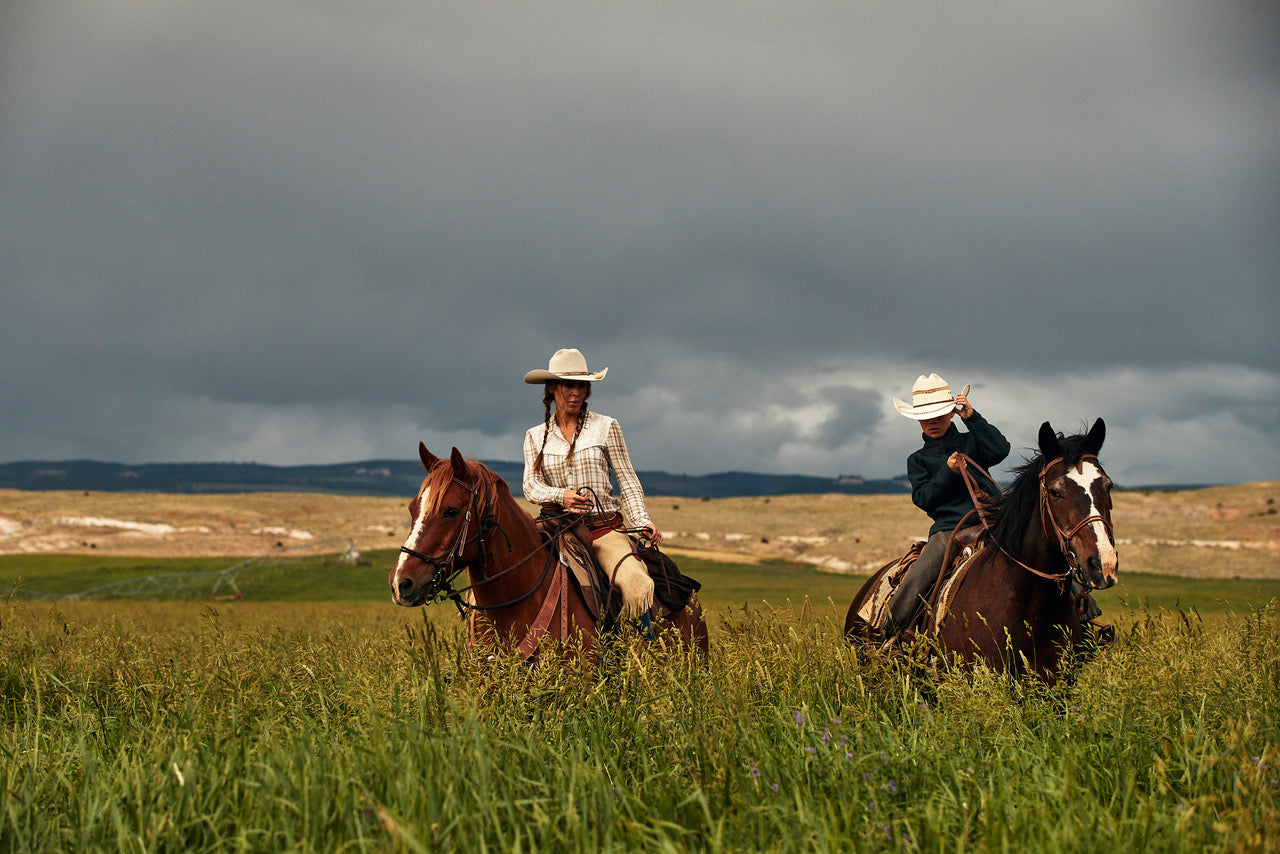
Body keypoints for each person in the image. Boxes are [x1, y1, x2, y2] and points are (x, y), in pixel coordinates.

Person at [522, 347, 659, 620]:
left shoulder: (606, 427)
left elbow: (627, 478)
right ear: (552, 389)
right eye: (568, 385)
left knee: (636, 583)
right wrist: (562, 496)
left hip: (602, 529)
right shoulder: (535, 436)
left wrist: (642, 520)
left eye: (581, 386)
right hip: (555, 529)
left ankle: (645, 651)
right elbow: (530, 485)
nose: (575, 393)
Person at [888, 373, 1010, 636]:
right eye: (925, 417)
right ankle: (890, 636)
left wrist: (972, 417)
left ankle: (1082, 619)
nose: (932, 421)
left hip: (996, 520)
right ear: (917, 419)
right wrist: (948, 471)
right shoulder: (918, 460)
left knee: (1043, 548)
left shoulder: (973, 441)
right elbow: (924, 499)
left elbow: (1000, 450)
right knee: (917, 580)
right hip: (949, 531)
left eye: (939, 414)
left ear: (951, 413)